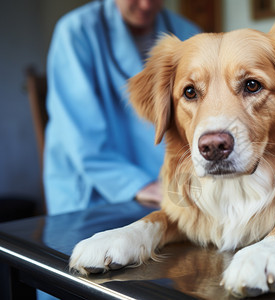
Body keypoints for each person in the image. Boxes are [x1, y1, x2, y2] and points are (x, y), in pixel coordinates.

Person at [43, 0, 201, 215]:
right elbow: (79, 134)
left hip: (172, 188)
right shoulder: (75, 32)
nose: (146, 5)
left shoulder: (188, 34)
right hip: (93, 194)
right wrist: (138, 185)